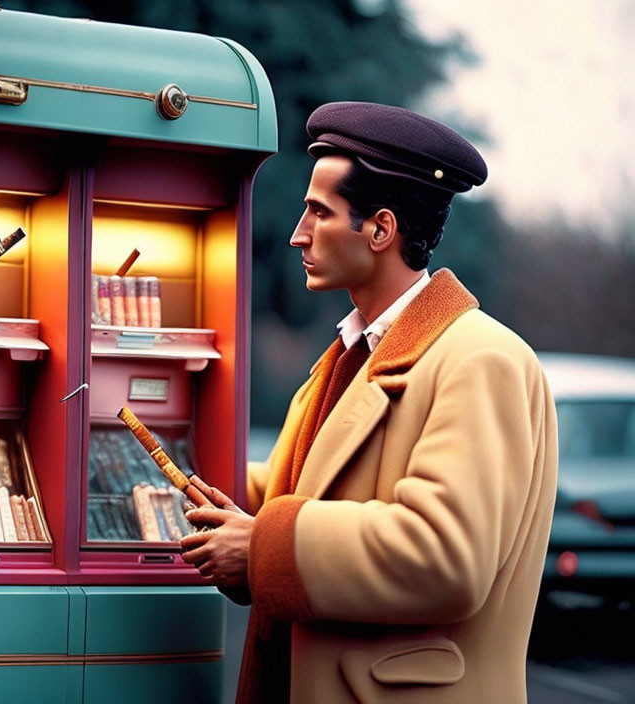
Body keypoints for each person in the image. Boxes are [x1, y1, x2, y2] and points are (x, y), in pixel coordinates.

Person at [179, 101, 558, 704]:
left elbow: (444, 557)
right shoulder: (355, 350)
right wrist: (169, 495)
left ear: (381, 230)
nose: (298, 233)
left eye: (319, 212)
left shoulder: (481, 359)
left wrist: (260, 549)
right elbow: (306, 489)